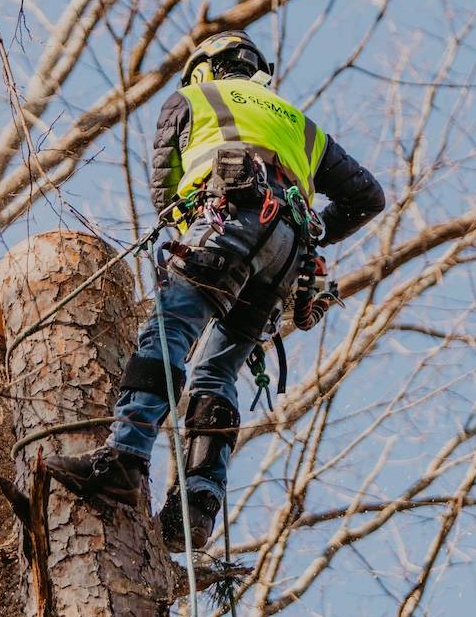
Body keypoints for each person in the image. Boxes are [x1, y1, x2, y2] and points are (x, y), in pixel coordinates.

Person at [47, 30, 385, 549]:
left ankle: (126, 458)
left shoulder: (191, 98)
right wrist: (314, 231)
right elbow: (367, 197)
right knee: (218, 372)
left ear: (205, 67)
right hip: (287, 254)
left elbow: (166, 196)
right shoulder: (302, 125)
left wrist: (201, 238)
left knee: (169, 331)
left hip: (225, 220)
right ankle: (197, 506)